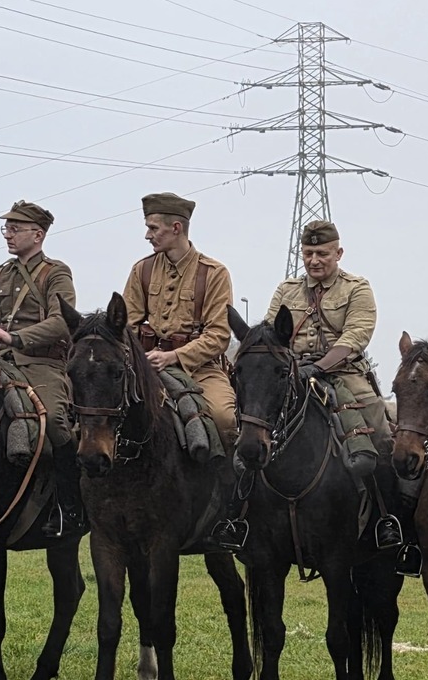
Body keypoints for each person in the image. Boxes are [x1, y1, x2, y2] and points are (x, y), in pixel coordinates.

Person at [0, 199, 82, 535]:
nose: (8, 235)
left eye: (15, 229)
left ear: (38, 234)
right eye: (6, 228)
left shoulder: (56, 272)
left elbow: (61, 322)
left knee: (55, 421)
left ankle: (69, 507)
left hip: (41, 363)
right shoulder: (0, 273)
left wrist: (14, 337)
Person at [263, 219, 387, 477]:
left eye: (322, 254)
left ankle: (390, 498)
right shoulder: (287, 290)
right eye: (308, 254)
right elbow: (269, 333)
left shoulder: (357, 288)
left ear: (338, 254)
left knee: (379, 428)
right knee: (250, 421)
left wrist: (318, 367)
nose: (314, 260)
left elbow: (356, 336)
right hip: (293, 372)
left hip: (344, 374)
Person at [123, 192, 237, 445]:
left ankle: (230, 472)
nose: (147, 235)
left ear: (176, 228)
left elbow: (218, 336)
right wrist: (142, 357)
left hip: (200, 369)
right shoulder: (142, 270)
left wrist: (174, 356)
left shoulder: (213, 273)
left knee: (224, 419)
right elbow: (126, 326)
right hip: (147, 365)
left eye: (153, 228)